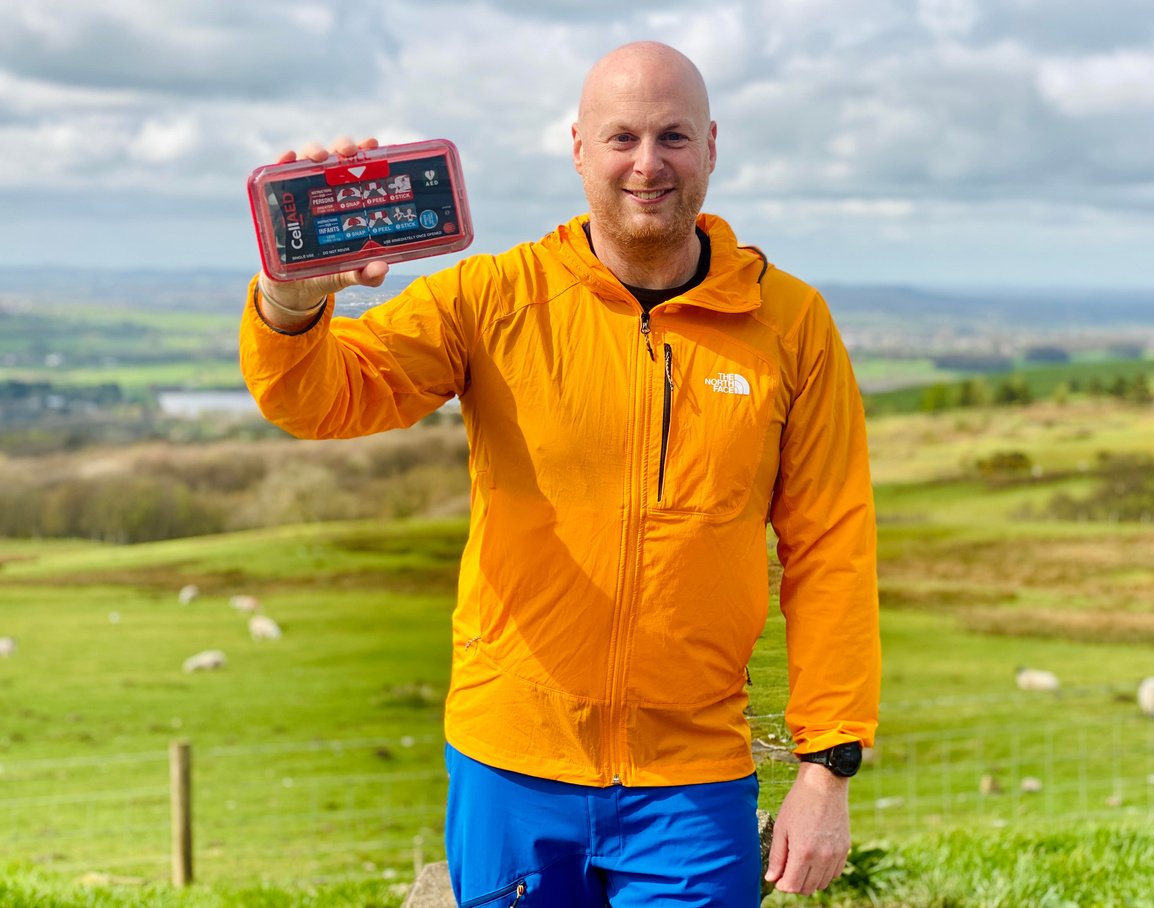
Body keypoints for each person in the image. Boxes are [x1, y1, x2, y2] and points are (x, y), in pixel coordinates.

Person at [241, 40, 880, 907]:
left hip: (691, 777)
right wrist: (293, 300)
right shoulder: (492, 298)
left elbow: (831, 548)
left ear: (713, 145)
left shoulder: (792, 324)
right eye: (620, 138)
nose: (647, 164)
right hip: (510, 764)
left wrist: (827, 769)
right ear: (578, 147)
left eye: (673, 137)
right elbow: (321, 400)